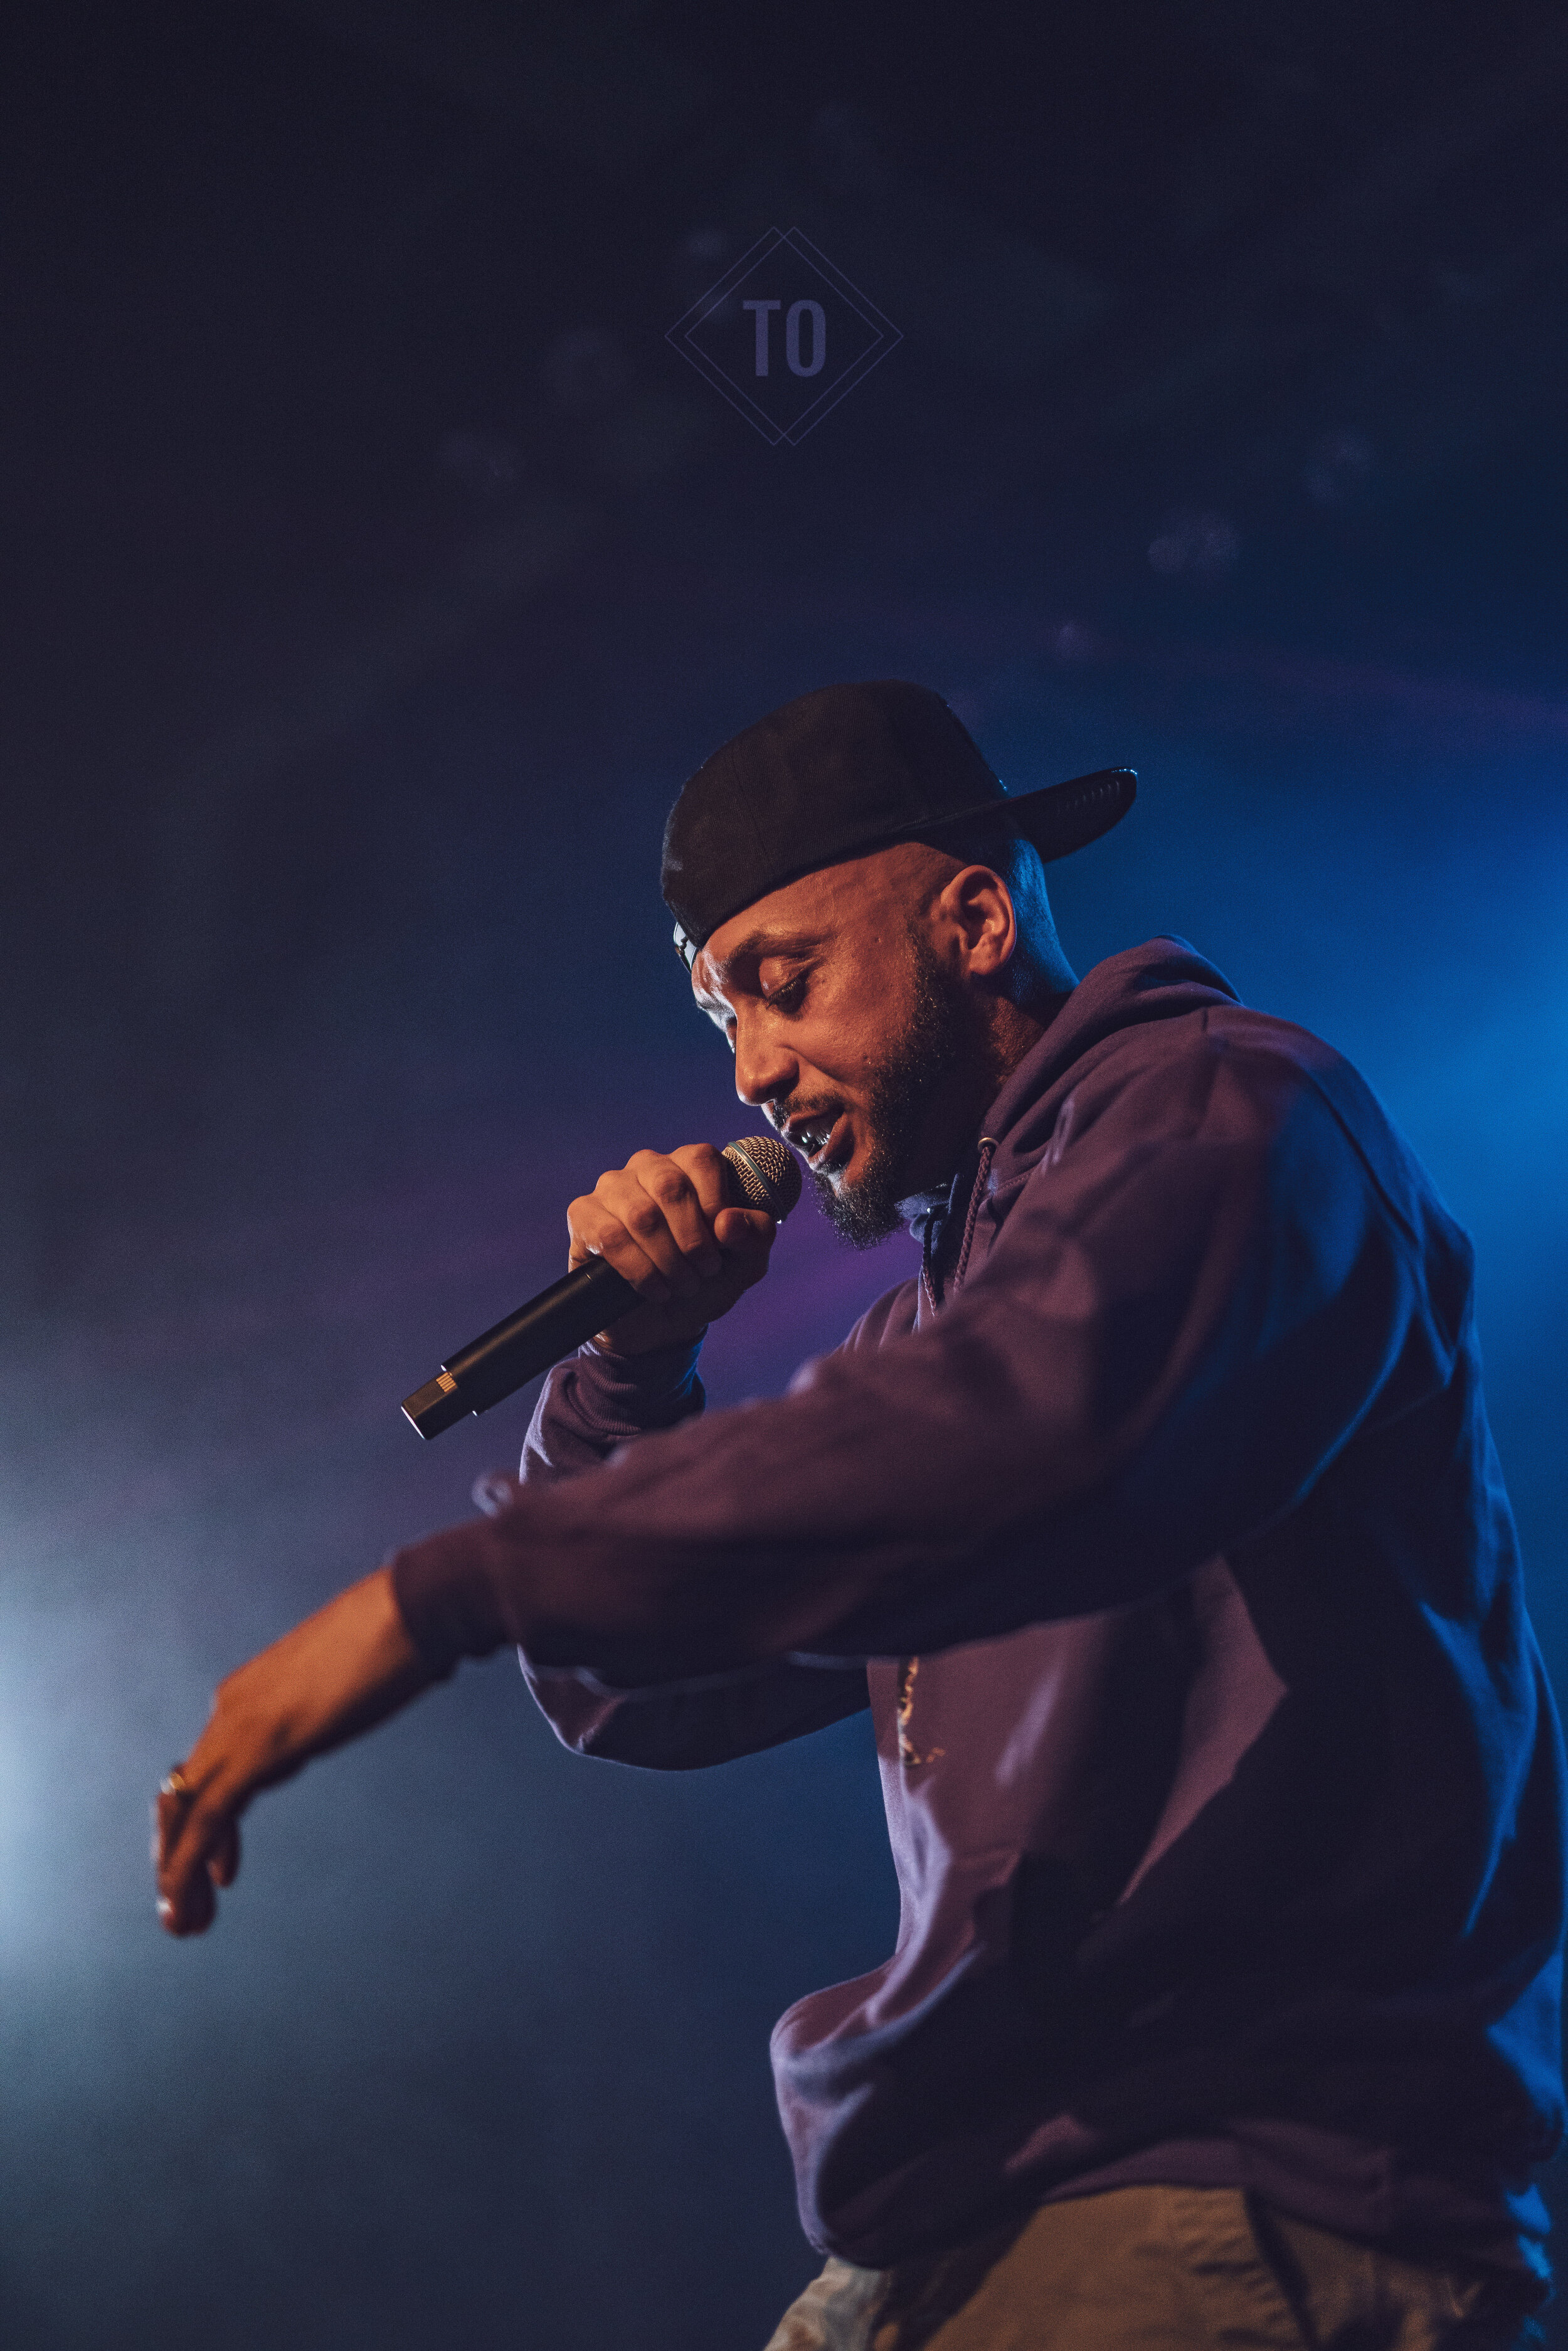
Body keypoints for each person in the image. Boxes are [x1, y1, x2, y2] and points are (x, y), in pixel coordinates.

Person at [156, 681, 1565, 2348]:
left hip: (1233, 2194)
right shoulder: (941, 1332)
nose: (750, 1067)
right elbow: (632, 1684)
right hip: (980, 2210)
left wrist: (437, 1590)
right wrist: (631, 1360)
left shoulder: (1230, 1115)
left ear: (971, 918)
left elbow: (1034, 1427)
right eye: (717, 1019)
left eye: (782, 983)